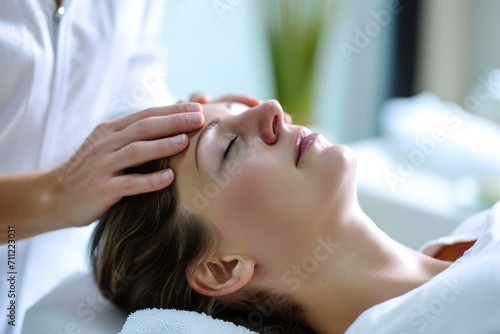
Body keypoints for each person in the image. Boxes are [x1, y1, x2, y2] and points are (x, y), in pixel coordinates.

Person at [91, 100, 500, 333]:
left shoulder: (472, 239)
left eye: (240, 108)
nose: (272, 109)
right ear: (221, 270)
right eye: (230, 146)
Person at [0, 1, 260, 332]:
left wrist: (190, 123)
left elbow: (131, 87)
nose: (274, 111)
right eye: (229, 148)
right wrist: (52, 196)